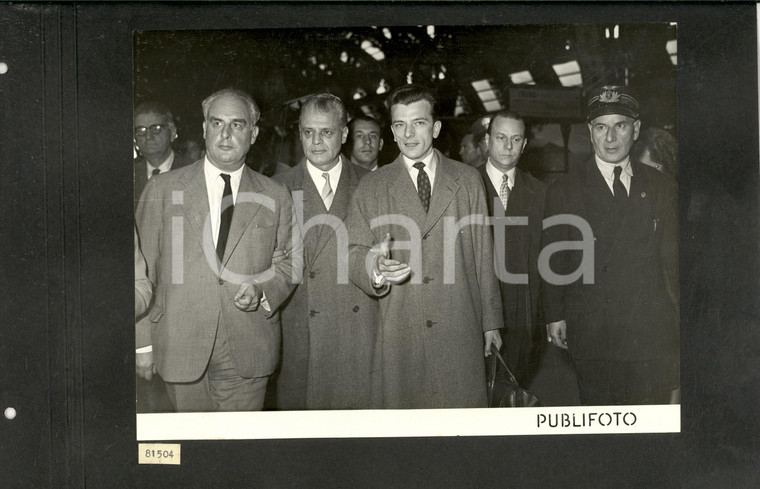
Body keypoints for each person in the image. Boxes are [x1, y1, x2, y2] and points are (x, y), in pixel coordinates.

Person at [135, 88, 302, 412]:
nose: (225, 134)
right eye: (216, 123)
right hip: (180, 342)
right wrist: (142, 343)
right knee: (194, 451)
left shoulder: (276, 193)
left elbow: (290, 262)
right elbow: (141, 271)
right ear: (204, 128)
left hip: (248, 343)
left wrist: (262, 289)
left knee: (238, 454)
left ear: (253, 134)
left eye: (237, 125)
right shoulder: (163, 189)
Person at [347, 84, 502, 409]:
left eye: (418, 122)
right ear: (391, 130)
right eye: (400, 124)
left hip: (460, 324)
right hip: (400, 328)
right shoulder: (371, 187)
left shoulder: (467, 180)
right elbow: (353, 252)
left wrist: (491, 321)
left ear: (435, 127)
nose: (409, 133)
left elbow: (483, 255)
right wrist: (374, 267)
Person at [542, 84, 679, 405]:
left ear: (637, 130)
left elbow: (673, 260)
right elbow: (553, 258)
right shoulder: (565, 189)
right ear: (590, 132)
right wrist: (555, 315)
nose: (611, 138)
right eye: (601, 128)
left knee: (648, 421)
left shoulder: (660, 186)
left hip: (649, 330)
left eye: (621, 126)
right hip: (592, 328)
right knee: (601, 421)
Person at [273, 94, 377, 410]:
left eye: (326, 132)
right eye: (308, 132)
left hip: (358, 331)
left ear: (344, 134)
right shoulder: (276, 187)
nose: (316, 142)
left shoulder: (373, 184)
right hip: (301, 335)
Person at [477, 110, 546, 387]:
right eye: (501, 137)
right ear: (486, 140)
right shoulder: (466, 185)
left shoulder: (540, 192)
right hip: (478, 314)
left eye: (515, 139)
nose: (508, 146)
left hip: (523, 316)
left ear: (525, 144)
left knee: (516, 390)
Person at [133, 101, 191, 200]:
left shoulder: (193, 172)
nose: (148, 136)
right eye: (141, 130)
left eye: (156, 128)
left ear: (172, 132)